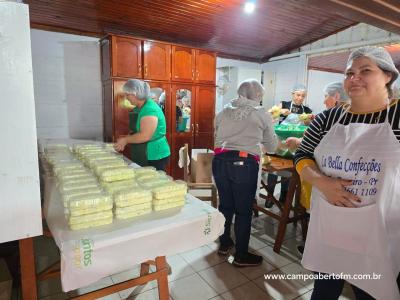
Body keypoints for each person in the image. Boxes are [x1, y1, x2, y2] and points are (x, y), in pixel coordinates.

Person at [294, 46, 400, 299]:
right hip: (331, 226)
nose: (354, 78)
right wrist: (321, 182)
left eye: (365, 70)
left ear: (388, 76)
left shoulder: (397, 116)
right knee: (324, 291)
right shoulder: (328, 119)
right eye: (349, 72)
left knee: (372, 291)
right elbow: (302, 155)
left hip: (380, 229)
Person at [213, 79, 277, 267]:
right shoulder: (261, 113)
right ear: (257, 95)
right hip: (243, 164)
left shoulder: (224, 110)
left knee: (225, 206)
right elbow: (272, 146)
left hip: (220, 161)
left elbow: (217, 134)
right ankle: (241, 255)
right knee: (243, 211)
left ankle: (224, 244)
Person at [265, 84, 312, 208]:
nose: (300, 98)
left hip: (295, 145)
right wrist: (280, 111)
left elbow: (309, 125)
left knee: (289, 171)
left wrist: (308, 119)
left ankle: (283, 197)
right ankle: (270, 196)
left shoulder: (307, 110)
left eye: (303, 96)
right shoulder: (284, 104)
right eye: (298, 95)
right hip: (280, 142)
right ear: (292, 94)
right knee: (273, 169)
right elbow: (269, 114)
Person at [114, 79, 170, 171]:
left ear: (135, 93)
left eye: (127, 95)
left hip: (155, 154)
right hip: (144, 151)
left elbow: (145, 135)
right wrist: (127, 138)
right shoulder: (140, 108)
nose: (126, 98)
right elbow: (137, 130)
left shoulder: (150, 109)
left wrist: (126, 140)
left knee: (153, 182)